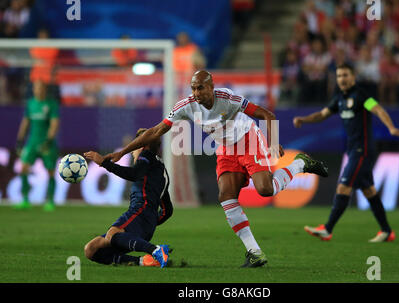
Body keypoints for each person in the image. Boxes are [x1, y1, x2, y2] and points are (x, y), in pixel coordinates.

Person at [103, 70, 329, 268]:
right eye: (193, 88)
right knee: (226, 195)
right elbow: (155, 131)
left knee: (265, 189)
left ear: (211, 87)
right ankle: (255, 252)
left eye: (200, 88)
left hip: (248, 139)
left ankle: (300, 163)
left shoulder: (228, 98)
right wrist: (122, 153)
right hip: (225, 149)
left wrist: (273, 140)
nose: (196, 93)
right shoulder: (185, 106)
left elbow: (266, 115)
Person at [293, 63, 399, 243]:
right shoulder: (339, 99)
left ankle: (327, 229)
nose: (342, 79)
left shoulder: (361, 96)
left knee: (343, 186)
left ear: (353, 77)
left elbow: (378, 109)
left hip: (363, 150)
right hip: (353, 150)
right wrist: (303, 120)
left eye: (345, 75)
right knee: (369, 191)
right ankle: (387, 231)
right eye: (339, 76)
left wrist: (391, 127)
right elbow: (322, 114)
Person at [83, 128, 173, 268]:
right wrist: (150, 221)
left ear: (142, 145)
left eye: (135, 146)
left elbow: (134, 174)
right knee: (92, 249)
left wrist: (104, 163)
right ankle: (144, 261)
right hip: (146, 224)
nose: (132, 151)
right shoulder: (161, 171)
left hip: (139, 212)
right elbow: (168, 211)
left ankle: (155, 250)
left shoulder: (146, 155)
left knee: (112, 234)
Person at [15, 80, 60, 211]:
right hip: (32, 142)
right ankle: (25, 199)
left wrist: (49, 140)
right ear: (33, 90)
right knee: (23, 168)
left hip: (47, 142)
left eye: (40, 88)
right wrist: (19, 140)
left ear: (44, 90)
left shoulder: (51, 104)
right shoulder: (30, 104)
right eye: (36, 88)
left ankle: (50, 201)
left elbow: (54, 123)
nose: (38, 90)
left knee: (50, 171)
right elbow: (25, 122)